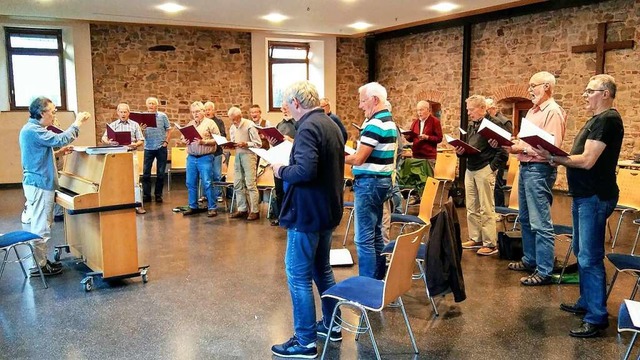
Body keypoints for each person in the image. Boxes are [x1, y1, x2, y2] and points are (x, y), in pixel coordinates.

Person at [534, 75, 623, 337]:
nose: (584, 94)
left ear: (605, 93)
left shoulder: (608, 120)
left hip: (595, 195)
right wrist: (556, 157)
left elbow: (587, 161)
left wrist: (555, 157)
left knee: (589, 256)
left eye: (590, 91)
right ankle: (586, 302)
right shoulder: (596, 119)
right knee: (581, 250)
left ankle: (596, 317)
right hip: (583, 195)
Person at [270, 80, 344, 359]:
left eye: (287, 105)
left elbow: (304, 171)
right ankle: (332, 325)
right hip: (326, 210)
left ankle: (305, 342)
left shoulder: (308, 127)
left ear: (297, 103)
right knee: (321, 270)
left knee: (298, 275)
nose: (286, 110)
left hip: (308, 213)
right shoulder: (330, 123)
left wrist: (280, 170)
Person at [503, 71, 567, 285]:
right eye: (529, 85)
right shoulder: (531, 112)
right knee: (525, 218)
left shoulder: (553, 112)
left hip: (540, 170)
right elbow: (527, 143)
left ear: (547, 86)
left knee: (540, 222)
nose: (530, 90)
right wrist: (511, 145)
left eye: (534, 86)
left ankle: (544, 270)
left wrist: (523, 148)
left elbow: (553, 147)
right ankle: (530, 259)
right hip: (526, 167)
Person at [19, 96, 91, 275]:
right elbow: (60, 139)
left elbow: (40, 154)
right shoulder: (34, 130)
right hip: (40, 184)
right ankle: (40, 267)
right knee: (41, 226)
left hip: (38, 183)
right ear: (42, 113)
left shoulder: (32, 129)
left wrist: (58, 153)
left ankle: (42, 262)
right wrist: (78, 122)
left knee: (42, 223)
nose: (54, 115)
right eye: (52, 112)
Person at [345, 82, 397, 280]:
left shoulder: (375, 123)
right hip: (381, 182)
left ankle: (366, 284)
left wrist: (336, 155)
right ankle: (378, 279)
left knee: (363, 238)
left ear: (374, 100)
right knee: (375, 234)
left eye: (363, 101)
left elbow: (359, 158)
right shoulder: (389, 121)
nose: (360, 106)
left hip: (370, 184)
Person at [457, 95, 508, 256]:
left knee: (486, 208)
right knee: (471, 206)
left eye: (471, 110)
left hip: (484, 169)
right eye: (468, 110)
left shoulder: (495, 124)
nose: (469, 113)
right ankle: (475, 237)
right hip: (470, 168)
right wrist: (461, 152)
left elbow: (503, 151)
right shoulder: (472, 125)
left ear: (482, 108)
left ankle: (490, 243)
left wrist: (491, 168)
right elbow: (472, 146)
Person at [102, 103, 147, 214]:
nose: (123, 114)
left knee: (135, 181)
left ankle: (138, 205)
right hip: (117, 155)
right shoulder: (113, 125)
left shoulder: (135, 125)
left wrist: (135, 144)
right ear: (117, 113)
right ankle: (119, 204)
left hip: (131, 154)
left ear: (128, 113)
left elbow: (141, 140)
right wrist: (108, 141)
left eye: (125, 112)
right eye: (121, 112)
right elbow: (104, 137)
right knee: (118, 180)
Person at [179, 101, 220, 217]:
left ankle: (212, 207)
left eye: (197, 111)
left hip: (205, 157)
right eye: (193, 112)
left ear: (203, 111)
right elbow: (183, 138)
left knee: (207, 182)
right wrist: (184, 140)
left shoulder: (210, 123)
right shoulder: (190, 124)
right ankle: (193, 206)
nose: (195, 114)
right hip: (191, 157)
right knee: (190, 182)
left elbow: (218, 140)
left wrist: (204, 142)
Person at [228, 107, 262, 220]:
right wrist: (229, 145)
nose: (234, 122)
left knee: (250, 183)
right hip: (238, 155)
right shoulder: (232, 127)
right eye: (232, 119)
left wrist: (246, 144)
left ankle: (254, 210)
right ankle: (242, 208)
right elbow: (233, 141)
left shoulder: (250, 125)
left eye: (235, 119)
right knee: (237, 182)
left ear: (240, 116)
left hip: (249, 155)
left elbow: (258, 143)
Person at [268, 102, 297, 226]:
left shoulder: (298, 124)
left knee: (291, 191)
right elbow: (276, 143)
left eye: (286, 108)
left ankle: (292, 217)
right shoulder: (280, 124)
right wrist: (271, 141)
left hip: (292, 161)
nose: (283, 110)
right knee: (279, 190)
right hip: (279, 159)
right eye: (282, 108)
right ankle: (281, 217)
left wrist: (290, 140)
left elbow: (303, 142)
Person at [142, 97, 171, 203]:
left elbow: (168, 129)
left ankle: (158, 194)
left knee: (160, 173)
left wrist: (166, 142)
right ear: (147, 105)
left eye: (153, 103)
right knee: (146, 173)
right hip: (148, 147)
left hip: (161, 147)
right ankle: (146, 195)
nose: (151, 105)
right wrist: (142, 130)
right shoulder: (143, 117)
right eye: (149, 103)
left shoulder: (162, 116)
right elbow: (141, 134)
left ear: (157, 105)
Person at [485, 98, 513, 207]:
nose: (486, 113)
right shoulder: (488, 121)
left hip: (500, 156)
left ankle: (499, 209)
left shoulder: (504, 122)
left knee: (497, 184)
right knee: (490, 184)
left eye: (487, 110)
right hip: (489, 155)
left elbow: (507, 141)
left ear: (493, 108)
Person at [403, 100, 443, 169]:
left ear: (428, 110)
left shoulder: (435, 121)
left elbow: (439, 138)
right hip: (416, 156)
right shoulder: (415, 122)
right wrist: (407, 136)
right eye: (418, 110)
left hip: (428, 157)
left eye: (421, 110)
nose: (419, 112)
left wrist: (427, 137)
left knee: (427, 179)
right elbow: (411, 139)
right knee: (415, 178)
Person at [204, 101, 227, 203]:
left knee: (217, 174)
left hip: (217, 152)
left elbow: (222, 135)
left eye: (208, 110)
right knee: (205, 175)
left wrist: (210, 137)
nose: (207, 112)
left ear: (213, 110)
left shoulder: (219, 122)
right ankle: (205, 195)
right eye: (205, 110)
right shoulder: (202, 122)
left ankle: (218, 194)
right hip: (205, 153)